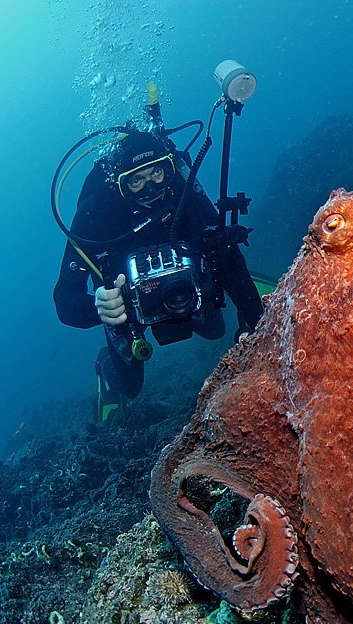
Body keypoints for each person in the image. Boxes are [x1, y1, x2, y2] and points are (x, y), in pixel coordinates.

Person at [54, 130, 262, 419]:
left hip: (184, 288)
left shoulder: (182, 190)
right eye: (136, 181)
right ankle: (105, 366)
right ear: (119, 185)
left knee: (216, 331)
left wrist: (256, 323)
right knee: (130, 386)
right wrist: (99, 308)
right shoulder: (95, 214)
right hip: (130, 310)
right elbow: (64, 300)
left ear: (168, 167)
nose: (151, 188)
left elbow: (225, 254)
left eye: (157, 173)